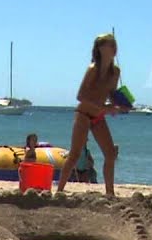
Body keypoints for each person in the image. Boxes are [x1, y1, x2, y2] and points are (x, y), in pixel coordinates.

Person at [54, 33, 129, 196]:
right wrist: (105, 107)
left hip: (98, 116)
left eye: (114, 45)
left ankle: (110, 193)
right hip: (83, 114)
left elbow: (111, 93)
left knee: (110, 153)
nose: (114, 48)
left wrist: (121, 105)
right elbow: (80, 96)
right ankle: (59, 191)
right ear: (100, 49)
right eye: (110, 45)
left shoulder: (115, 71)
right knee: (74, 155)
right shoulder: (93, 69)